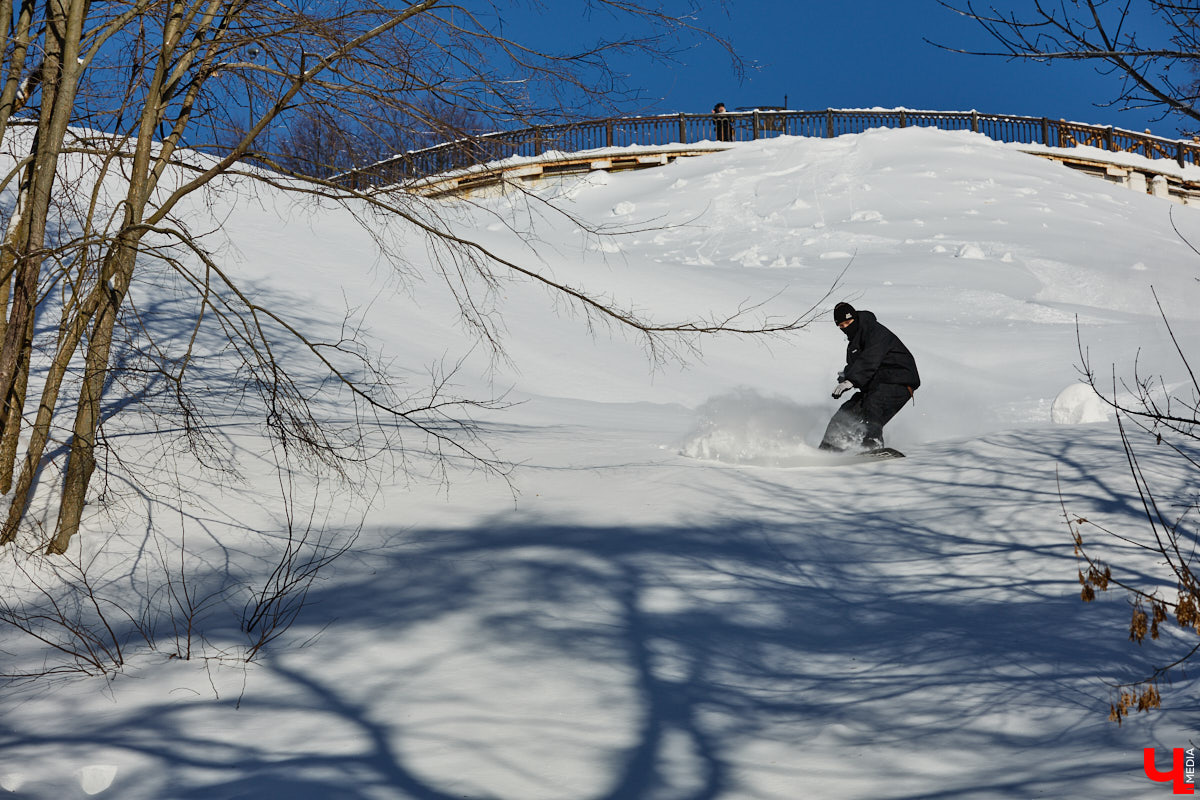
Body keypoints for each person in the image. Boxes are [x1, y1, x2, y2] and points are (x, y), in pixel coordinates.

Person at [819, 302, 920, 453]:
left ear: (855, 318)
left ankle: (872, 444)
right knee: (847, 412)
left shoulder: (874, 331)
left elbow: (869, 359)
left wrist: (852, 380)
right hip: (877, 384)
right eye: (841, 326)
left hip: (899, 380)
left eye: (848, 322)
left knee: (873, 405)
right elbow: (858, 365)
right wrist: (847, 375)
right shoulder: (854, 342)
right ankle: (828, 449)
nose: (845, 327)